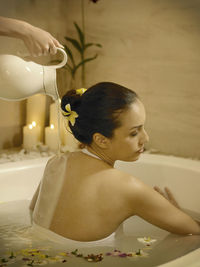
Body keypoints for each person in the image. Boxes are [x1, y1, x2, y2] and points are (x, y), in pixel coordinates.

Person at [30, 82, 200, 242]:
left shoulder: (56, 162)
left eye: (143, 128)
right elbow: (194, 230)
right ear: (101, 140)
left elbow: (33, 212)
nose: (145, 138)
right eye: (134, 133)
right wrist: (178, 214)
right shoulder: (127, 187)